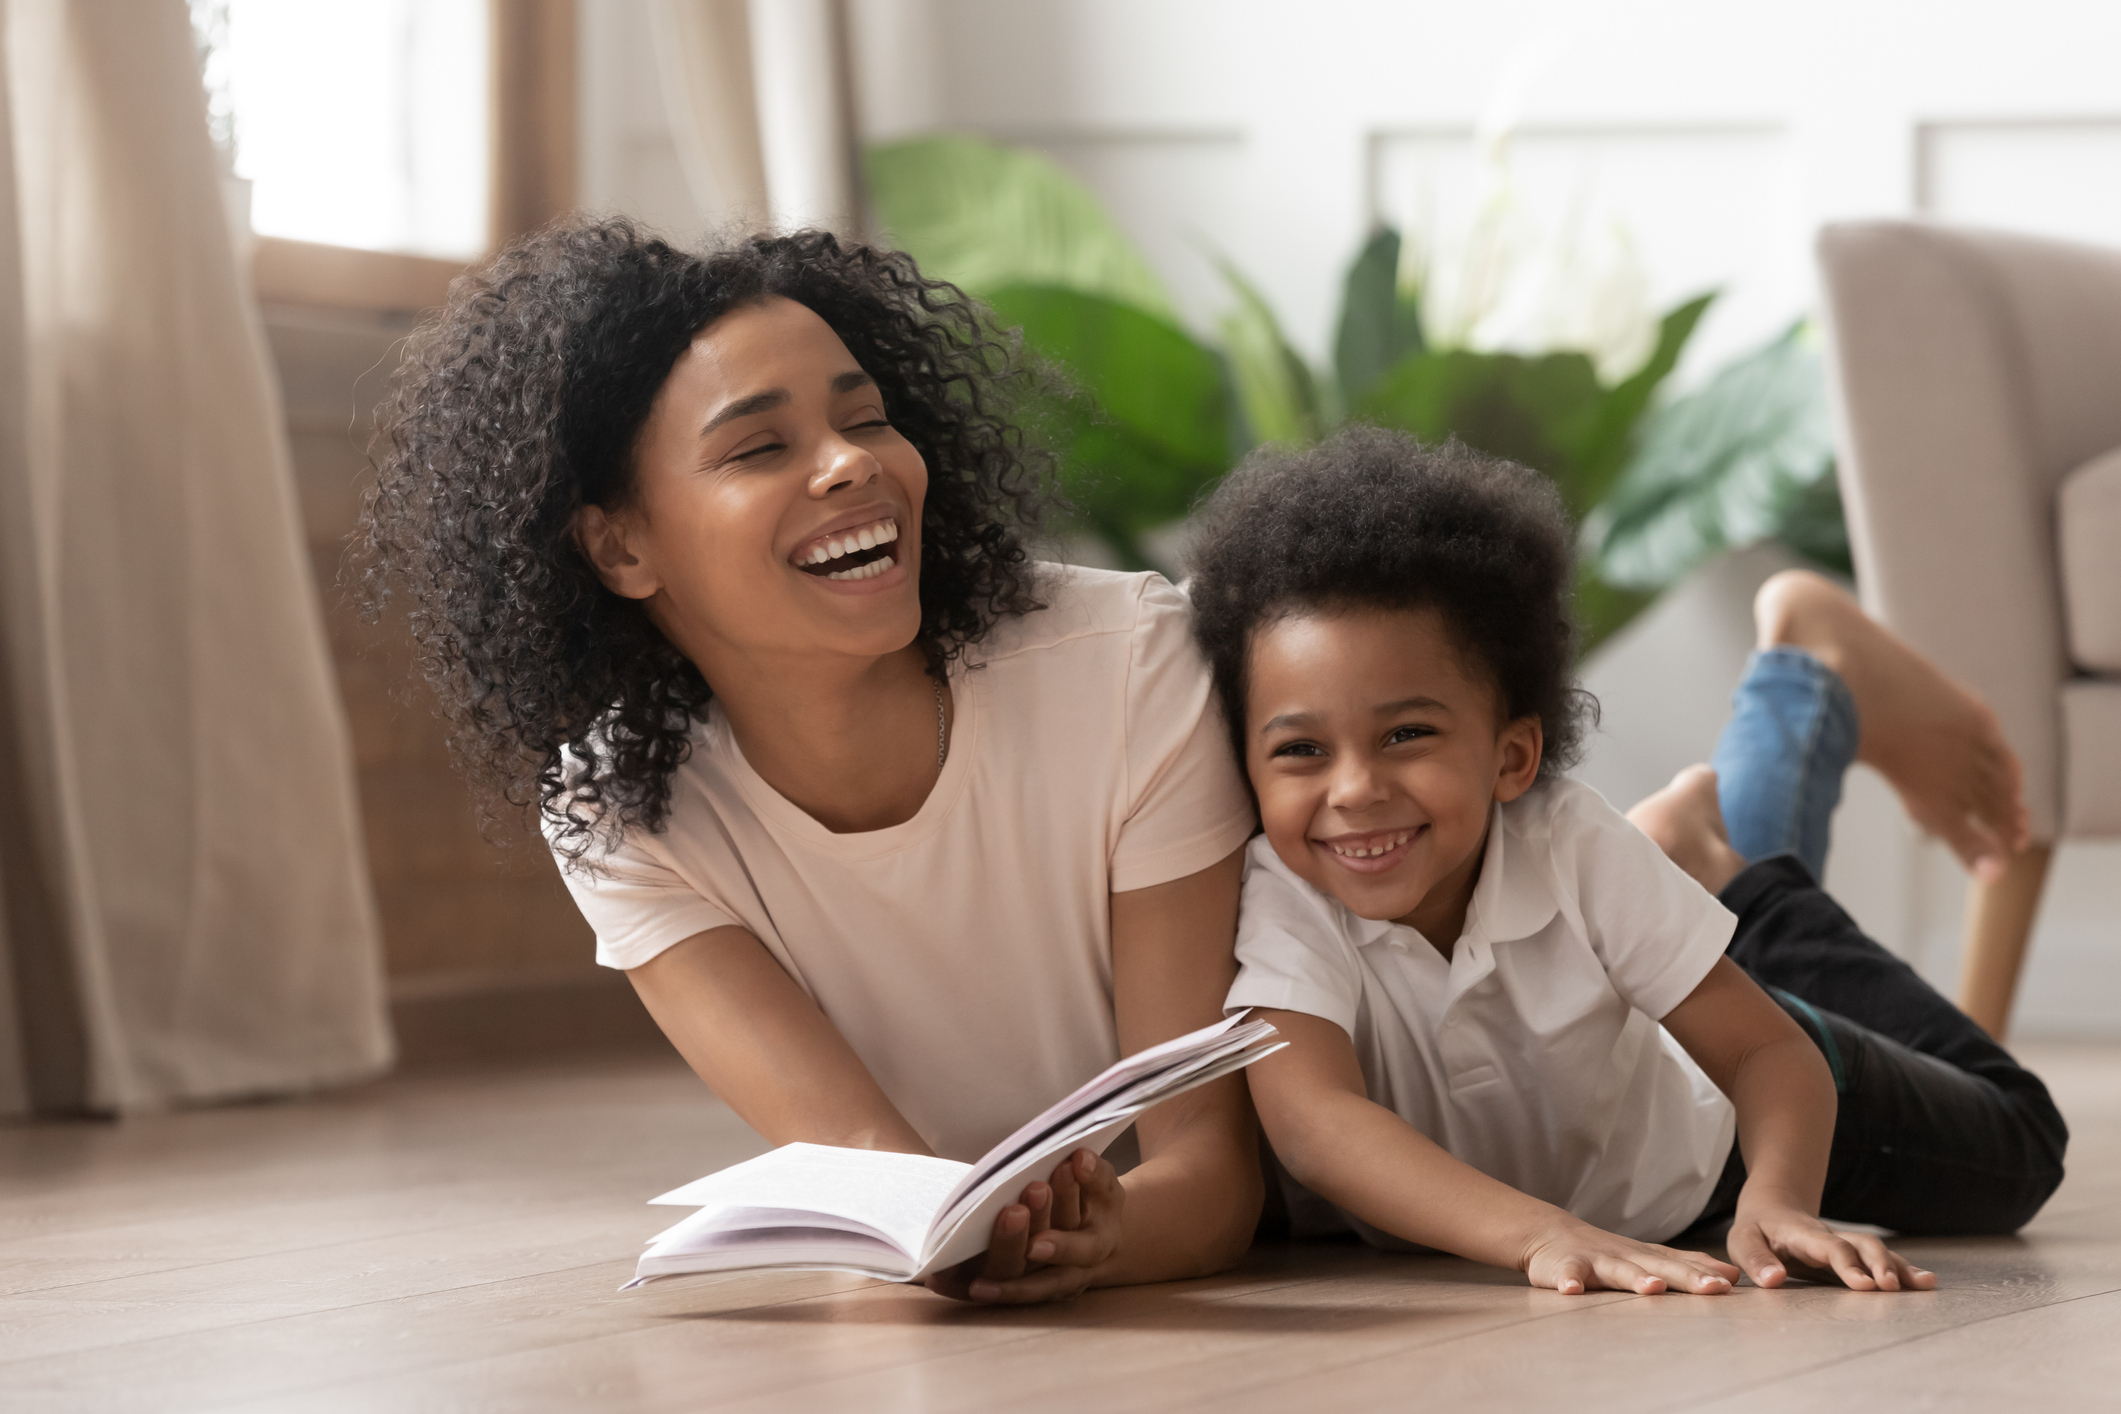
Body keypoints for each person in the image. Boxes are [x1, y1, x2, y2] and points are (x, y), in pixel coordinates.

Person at [358, 220, 1263, 1304]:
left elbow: (1210, 1171)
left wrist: (1102, 1238)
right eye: (758, 447)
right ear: (620, 547)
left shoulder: (1123, 663)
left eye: (866, 417)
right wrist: (977, 1246)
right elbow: (873, 1170)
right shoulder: (617, 812)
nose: (851, 464)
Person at [1185, 426, 2067, 1296]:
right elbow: (1315, 1123)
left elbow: (1765, 1052)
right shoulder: (1282, 890)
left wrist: (1775, 1197)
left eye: (1405, 734)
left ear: (1511, 758)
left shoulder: (1565, 841)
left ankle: (1788, 719)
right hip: (1585, 1176)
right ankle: (1687, 854)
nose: (1354, 788)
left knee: (2020, 1146)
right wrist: (1546, 1235)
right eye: (1300, 750)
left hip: (1704, 1152)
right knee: (1652, 913)